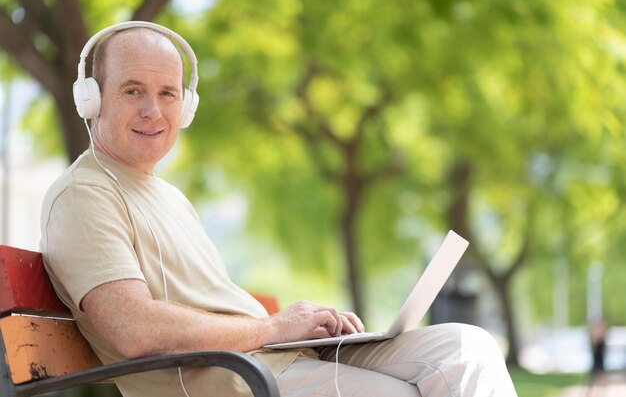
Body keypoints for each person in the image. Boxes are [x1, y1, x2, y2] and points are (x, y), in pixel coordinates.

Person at [40, 21, 518, 397]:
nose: (153, 110)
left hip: (275, 358)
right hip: (239, 381)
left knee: (466, 347)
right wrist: (273, 327)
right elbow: (133, 330)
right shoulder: (84, 195)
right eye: (132, 90)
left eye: (167, 93)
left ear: (185, 106)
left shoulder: (169, 197)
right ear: (92, 99)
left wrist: (303, 330)